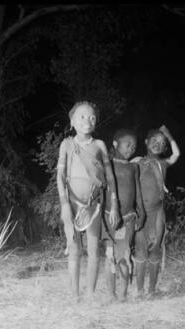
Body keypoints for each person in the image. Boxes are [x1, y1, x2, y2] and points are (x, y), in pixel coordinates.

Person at [56, 101, 120, 300]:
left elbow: (110, 178)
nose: (88, 120)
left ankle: (90, 295)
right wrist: (64, 205)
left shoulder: (99, 145)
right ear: (72, 121)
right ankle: (75, 295)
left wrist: (115, 204)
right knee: (74, 250)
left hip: (94, 205)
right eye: (82, 116)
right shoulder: (67, 144)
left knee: (94, 250)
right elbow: (60, 177)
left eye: (92, 117)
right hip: (72, 205)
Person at [133, 125, 180, 298]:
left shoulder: (162, 164)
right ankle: (139, 290)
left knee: (155, 250)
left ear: (165, 147)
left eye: (162, 143)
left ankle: (151, 290)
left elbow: (176, 155)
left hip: (158, 214)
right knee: (140, 250)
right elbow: (121, 169)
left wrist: (169, 135)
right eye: (154, 141)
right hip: (140, 213)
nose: (157, 144)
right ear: (146, 142)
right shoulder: (137, 161)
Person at [102, 129, 146, 301]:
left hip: (127, 220)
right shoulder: (108, 165)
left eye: (134, 146)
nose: (131, 149)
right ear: (115, 144)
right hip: (108, 220)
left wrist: (141, 213)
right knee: (109, 257)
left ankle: (122, 295)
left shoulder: (133, 167)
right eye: (128, 145)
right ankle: (111, 295)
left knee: (124, 257)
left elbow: (138, 192)